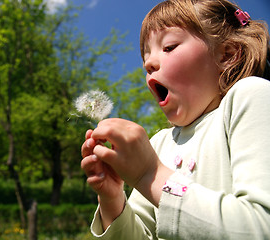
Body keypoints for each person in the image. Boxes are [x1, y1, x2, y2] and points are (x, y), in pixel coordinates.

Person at [80, 0, 270, 239]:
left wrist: (150, 174)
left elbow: (261, 226)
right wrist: (112, 200)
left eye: (168, 47)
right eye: (145, 56)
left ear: (227, 54)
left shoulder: (251, 97)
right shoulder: (159, 143)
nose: (148, 63)